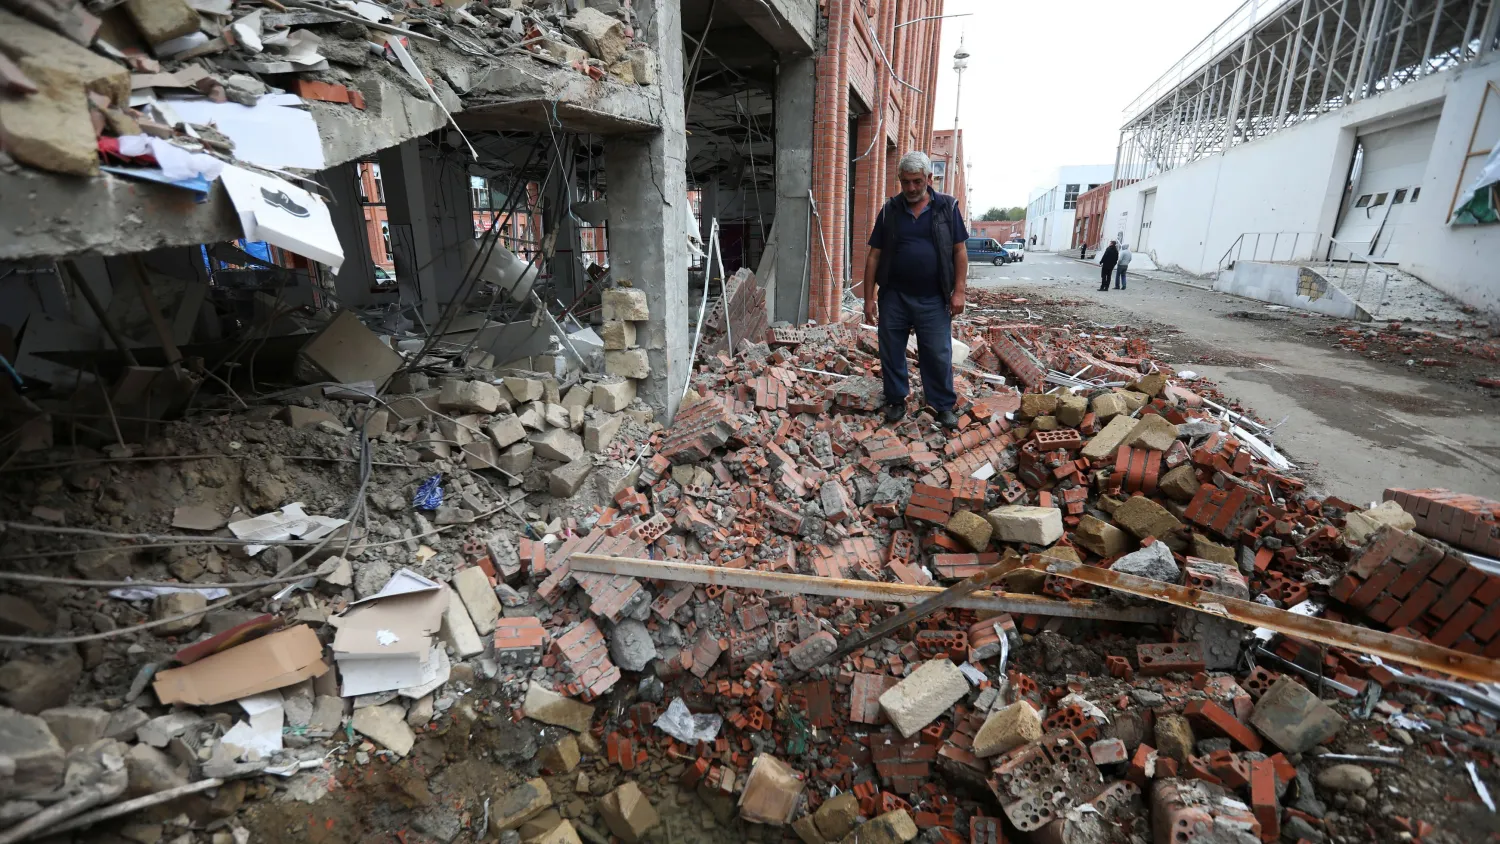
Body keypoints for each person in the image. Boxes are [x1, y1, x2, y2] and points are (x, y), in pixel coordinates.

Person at [862, 150, 969, 428]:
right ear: (900, 180)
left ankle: (942, 405)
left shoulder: (946, 208)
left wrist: (959, 291)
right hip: (894, 296)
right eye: (906, 182)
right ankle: (896, 399)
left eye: (917, 182)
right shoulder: (889, 210)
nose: (911, 188)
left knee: (937, 352)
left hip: (933, 298)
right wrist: (868, 299)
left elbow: (959, 251)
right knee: (891, 350)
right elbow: (874, 255)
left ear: (929, 179)